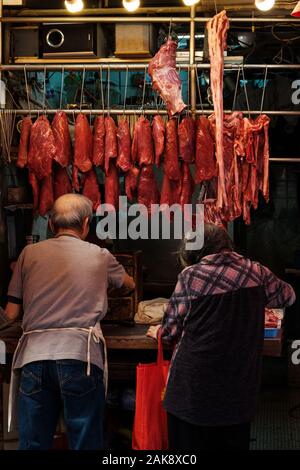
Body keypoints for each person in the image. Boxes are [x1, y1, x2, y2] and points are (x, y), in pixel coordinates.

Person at [147, 223, 295, 451]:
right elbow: (288, 297)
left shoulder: (191, 276)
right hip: (239, 391)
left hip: (193, 392)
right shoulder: (257, 271)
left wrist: (157, 331)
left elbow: (169, 332)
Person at [5, 194, 135, 450]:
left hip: (34, 357)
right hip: (80, 357)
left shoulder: (28, 254)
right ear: (87, 224)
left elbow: (10, 312)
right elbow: (129, 284)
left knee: (33, 443)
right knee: (84, 443)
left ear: (51, 225)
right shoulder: (100, 254)